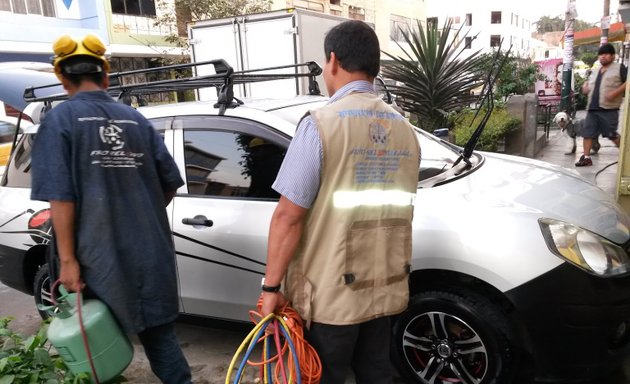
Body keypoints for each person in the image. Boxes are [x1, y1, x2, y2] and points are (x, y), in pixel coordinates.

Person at [260, 20, 421, 383]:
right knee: (376, 373)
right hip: (385, 290)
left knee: (323, 376)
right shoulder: (405, 128)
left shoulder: (320, 125)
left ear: (332, 60)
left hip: (331, 299)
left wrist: (270, 289)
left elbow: (288, 217)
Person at [30, 34, 192, 383]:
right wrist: (139, 211)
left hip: (93, 260)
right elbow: (169, 183)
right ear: (105, 77)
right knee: (162, 342)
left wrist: (69, 261)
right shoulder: (135, 120)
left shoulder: (59, 122)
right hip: (149, 254)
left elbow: (61, 197)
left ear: (62, 78)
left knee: (93, 345)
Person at [576, 43, 626, 167]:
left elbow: (627, 82)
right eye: (601, 54)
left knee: (611, 134)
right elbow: (589, 85)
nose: (603, 57)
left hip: (609, 109)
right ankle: (586, 158)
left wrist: (615, 92)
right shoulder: (596, 70)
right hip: (592, 108)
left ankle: (625, 156)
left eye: (606, 54)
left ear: (613, 56)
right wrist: (585, 87)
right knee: (587, 133)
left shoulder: (619, 68)